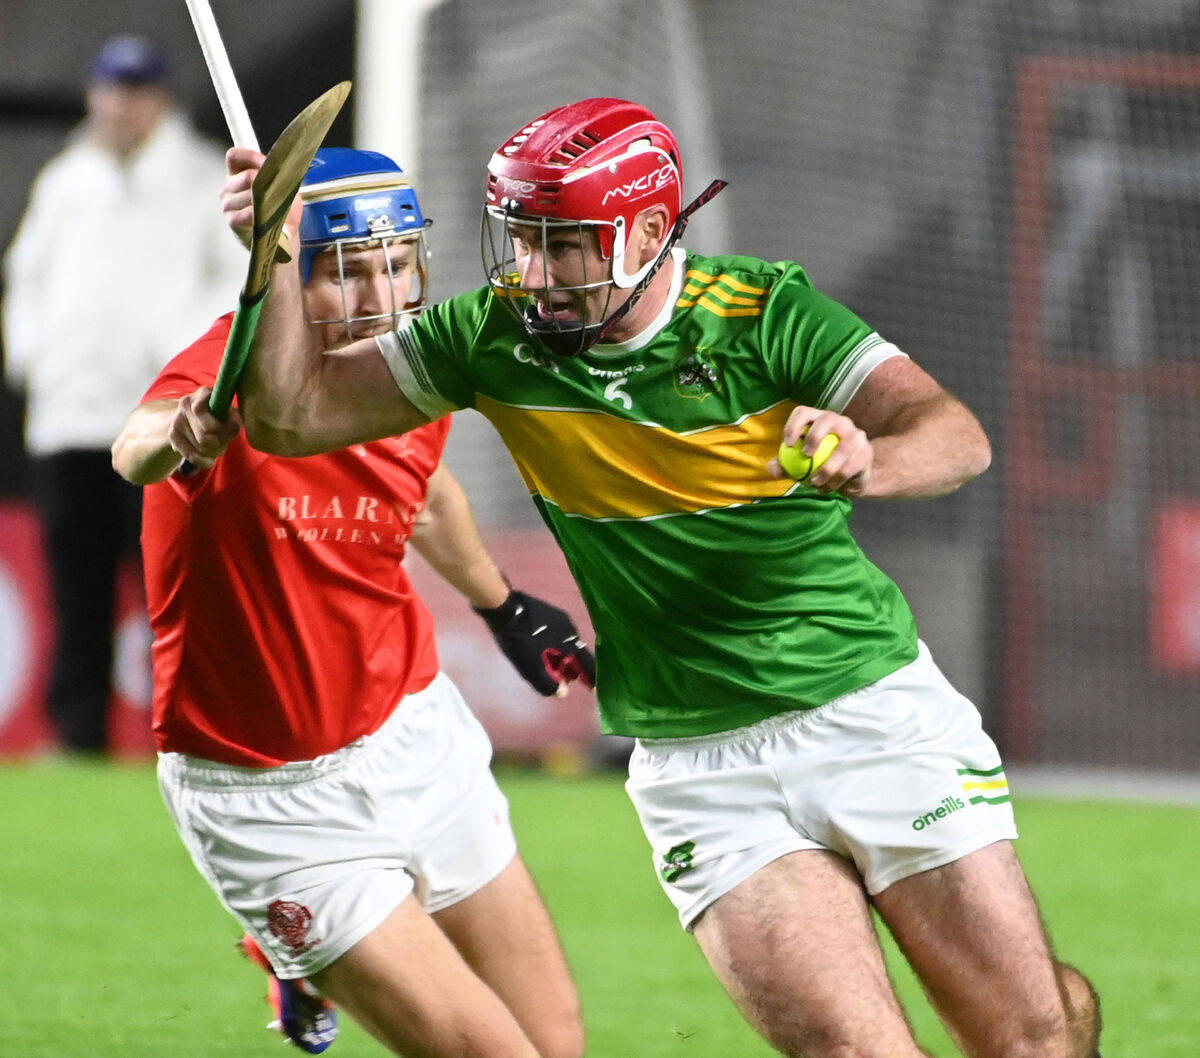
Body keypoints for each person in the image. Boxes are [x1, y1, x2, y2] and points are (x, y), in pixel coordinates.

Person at [226, 98, 1103, 1057]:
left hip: (869, 714)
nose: (531, 276)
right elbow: (290, 417)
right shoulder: (492, 333)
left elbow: (956, 437)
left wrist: (868, 457)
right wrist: (269, 259)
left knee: (1030, 1039)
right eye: (519, 240)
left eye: (562, 245)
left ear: (646, 230)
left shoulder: (763, 310)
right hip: (700, 767)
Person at [111, 147, 590, 1058]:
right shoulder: (226, 366)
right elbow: (131, 447)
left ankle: (300, 961)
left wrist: (504, 607)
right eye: (347, 274)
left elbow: (428, 492)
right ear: (294, 276)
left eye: (395, 265)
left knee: (554, 1041)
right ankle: (295, 945)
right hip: (267, 793)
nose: (380, 298)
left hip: (413, 737)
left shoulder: (415, 369)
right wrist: (178, 436)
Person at [2, 33, 247, 755]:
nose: (123, 104)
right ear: (93, 94)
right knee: (75, 592)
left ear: (161, 98)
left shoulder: (205, 177)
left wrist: (176, 359)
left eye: (137, 90)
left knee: (167, 586)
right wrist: (36, 357)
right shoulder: (64, 180)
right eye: (112, 89)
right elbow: (27, 280)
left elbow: (232, 283)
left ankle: (185, 732)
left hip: (160, 416)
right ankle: (77, 738)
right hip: (70, 414)